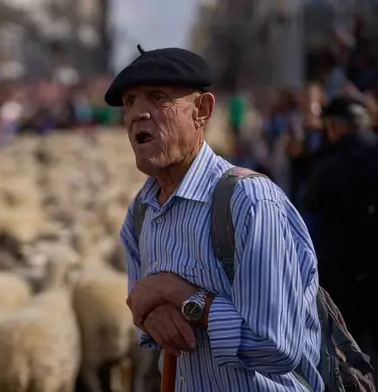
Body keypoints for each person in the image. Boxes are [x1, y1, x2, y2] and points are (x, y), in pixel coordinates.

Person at [108, 46, 323, 390]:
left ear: (202, 110)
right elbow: (146, 322)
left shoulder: (249, 202)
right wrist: (150, 312)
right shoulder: (140, 213)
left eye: (158, 97)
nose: (138, 113)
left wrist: (179, 293)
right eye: (130, 101)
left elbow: (278, 348)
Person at [302, 97, 378, 357]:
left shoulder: (328, 166)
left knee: (349, 355)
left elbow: (309, 224)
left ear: (333, 126)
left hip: (341, 275)